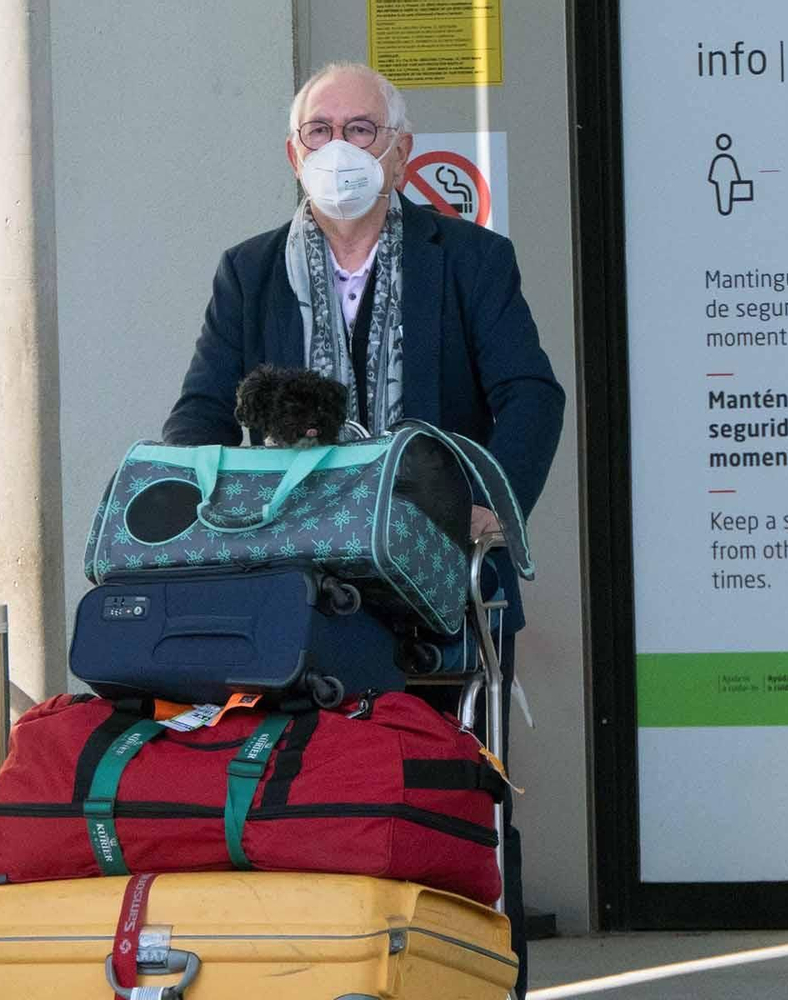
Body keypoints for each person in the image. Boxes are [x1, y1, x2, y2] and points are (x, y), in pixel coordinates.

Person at [162, 62, 563, 995]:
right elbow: (197, 419)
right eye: (319, 130)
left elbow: (530, 397)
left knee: (446, 788)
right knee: (297, 791)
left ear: (401, 149)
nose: (338, 146)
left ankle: (466, 970)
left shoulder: (468, 261)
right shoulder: (249, 270)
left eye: (361, 128)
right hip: (292, 580)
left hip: (436, 572)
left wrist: (490, 507)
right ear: (292, 152)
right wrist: (217, 508)